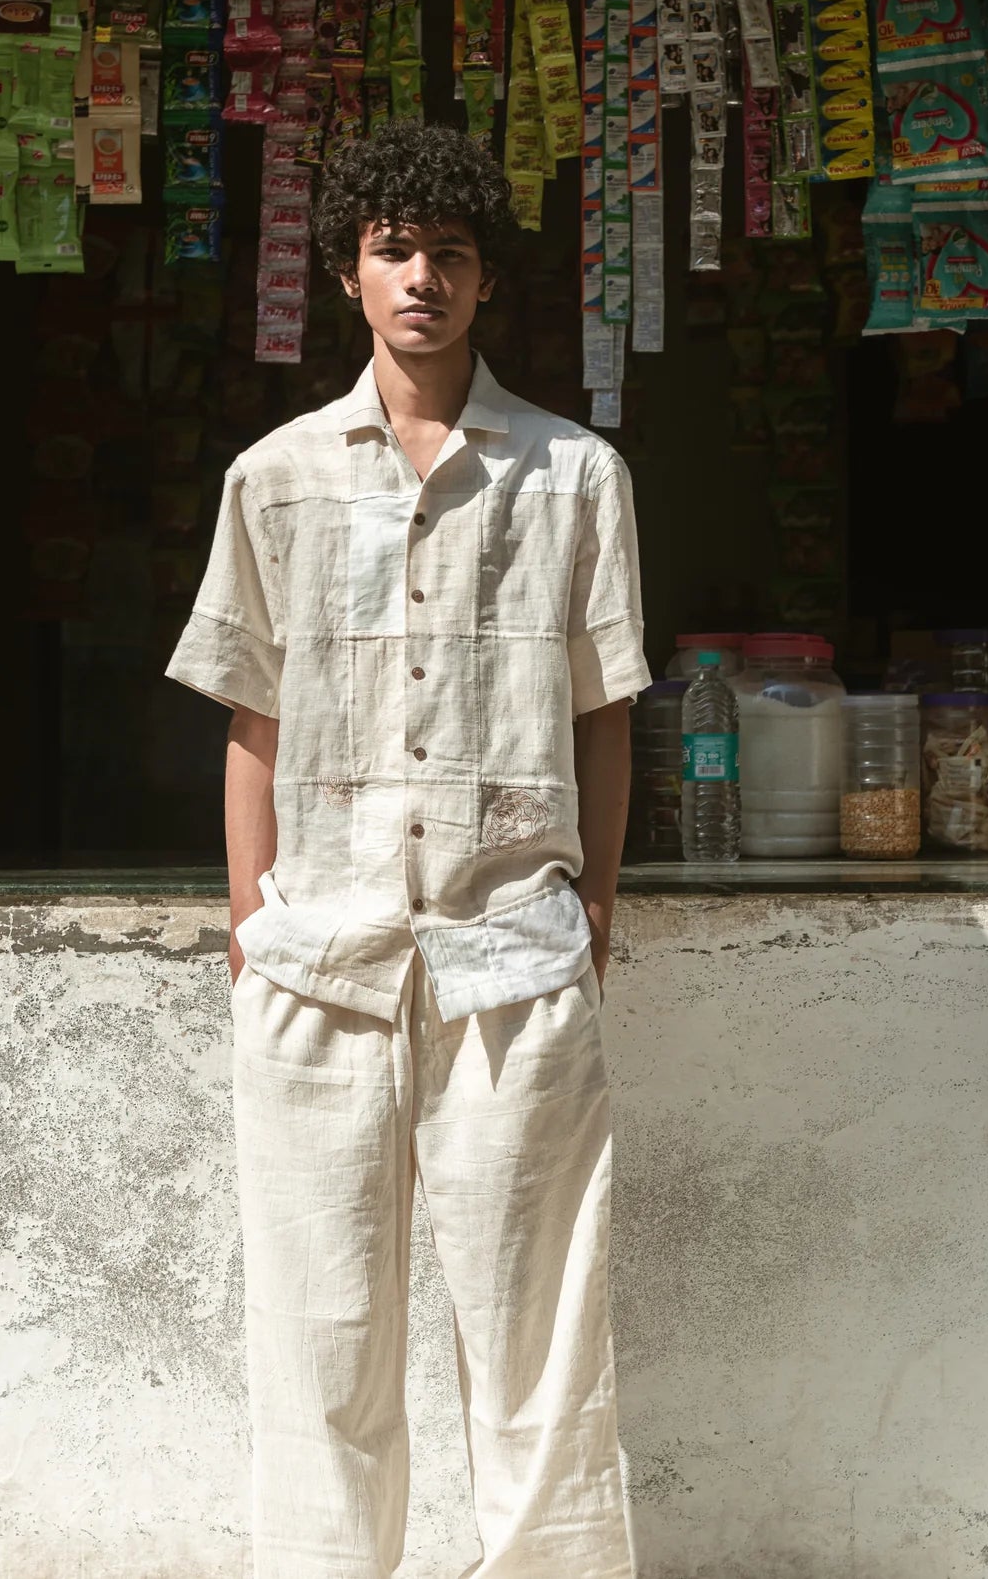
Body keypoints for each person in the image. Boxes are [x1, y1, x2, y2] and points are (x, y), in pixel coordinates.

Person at [167, 117, 651, 1579]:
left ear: (484, 279)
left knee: (539, 1349)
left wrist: (594, 910)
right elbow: (251, 716)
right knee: (321, 1348)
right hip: (319, 965)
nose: (420, 277)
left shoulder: (573, 478)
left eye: (445, 253)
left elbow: (602, 718)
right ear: (348, 276)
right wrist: (253, 926)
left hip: (510, 963)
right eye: (392, 251)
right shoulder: (278, 478)